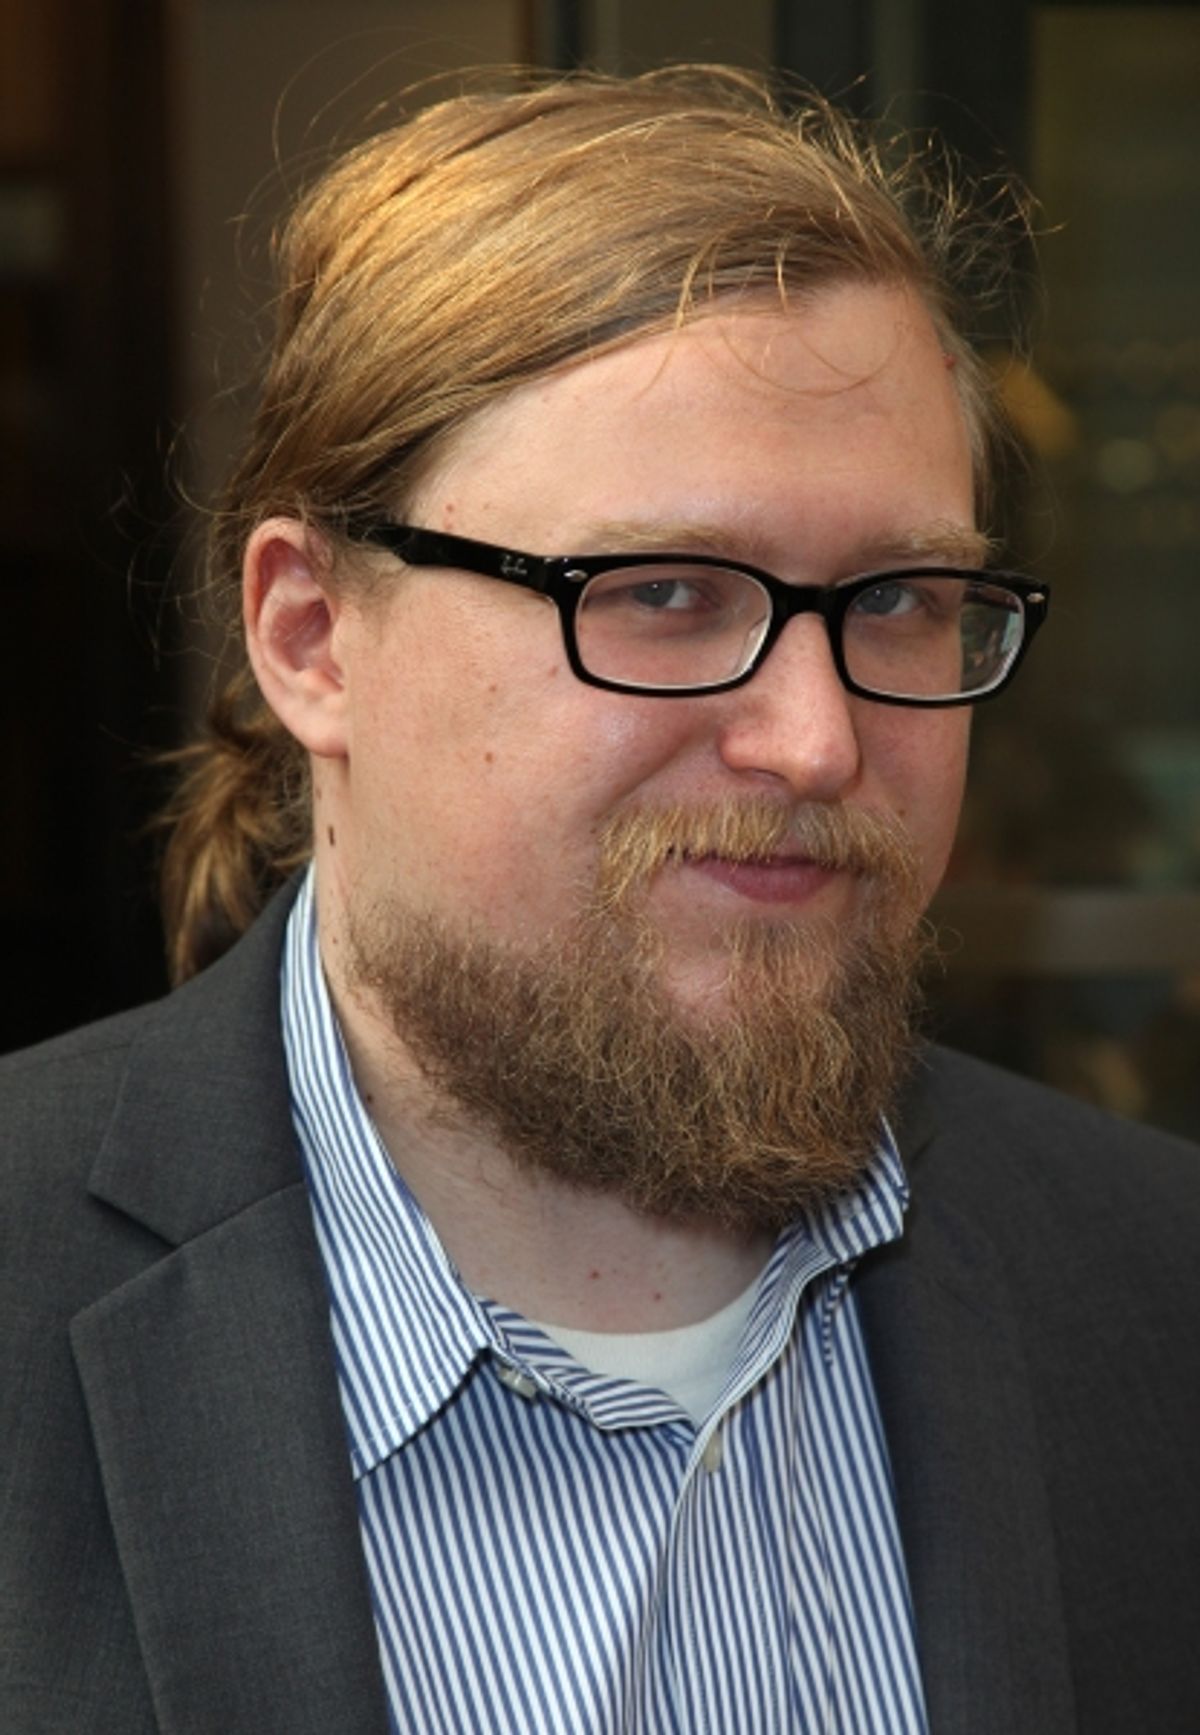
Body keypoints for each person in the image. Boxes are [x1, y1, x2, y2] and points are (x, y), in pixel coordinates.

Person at [2, 66, 1197, 1735]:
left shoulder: (1157, 1297)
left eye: (906, 601)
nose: (818, 739)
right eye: (661, 594)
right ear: (311, 636)